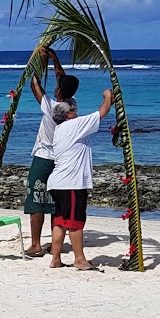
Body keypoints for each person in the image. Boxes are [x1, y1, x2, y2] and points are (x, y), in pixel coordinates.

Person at [47, 89, 113, 270]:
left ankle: (56, 258)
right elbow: (102, 112)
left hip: (58, 183)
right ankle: (79, 258)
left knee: (60, 221)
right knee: (76, 221)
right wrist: (107, 96)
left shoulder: (59, 130)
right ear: (68, 114)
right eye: (74, 109)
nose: (77, 111)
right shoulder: (73, 125)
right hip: (71, 183)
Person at [23, 46, 79, 256]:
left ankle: (36, 244)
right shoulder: (72, 106)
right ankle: (56, 243)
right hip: (63, 159)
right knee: (57, 201)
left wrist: (38, 62)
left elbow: (34, 84)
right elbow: (61, 79)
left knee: (36, 199)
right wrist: (55, 58)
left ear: (59, 92)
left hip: (45, 157)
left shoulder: (50, 107)